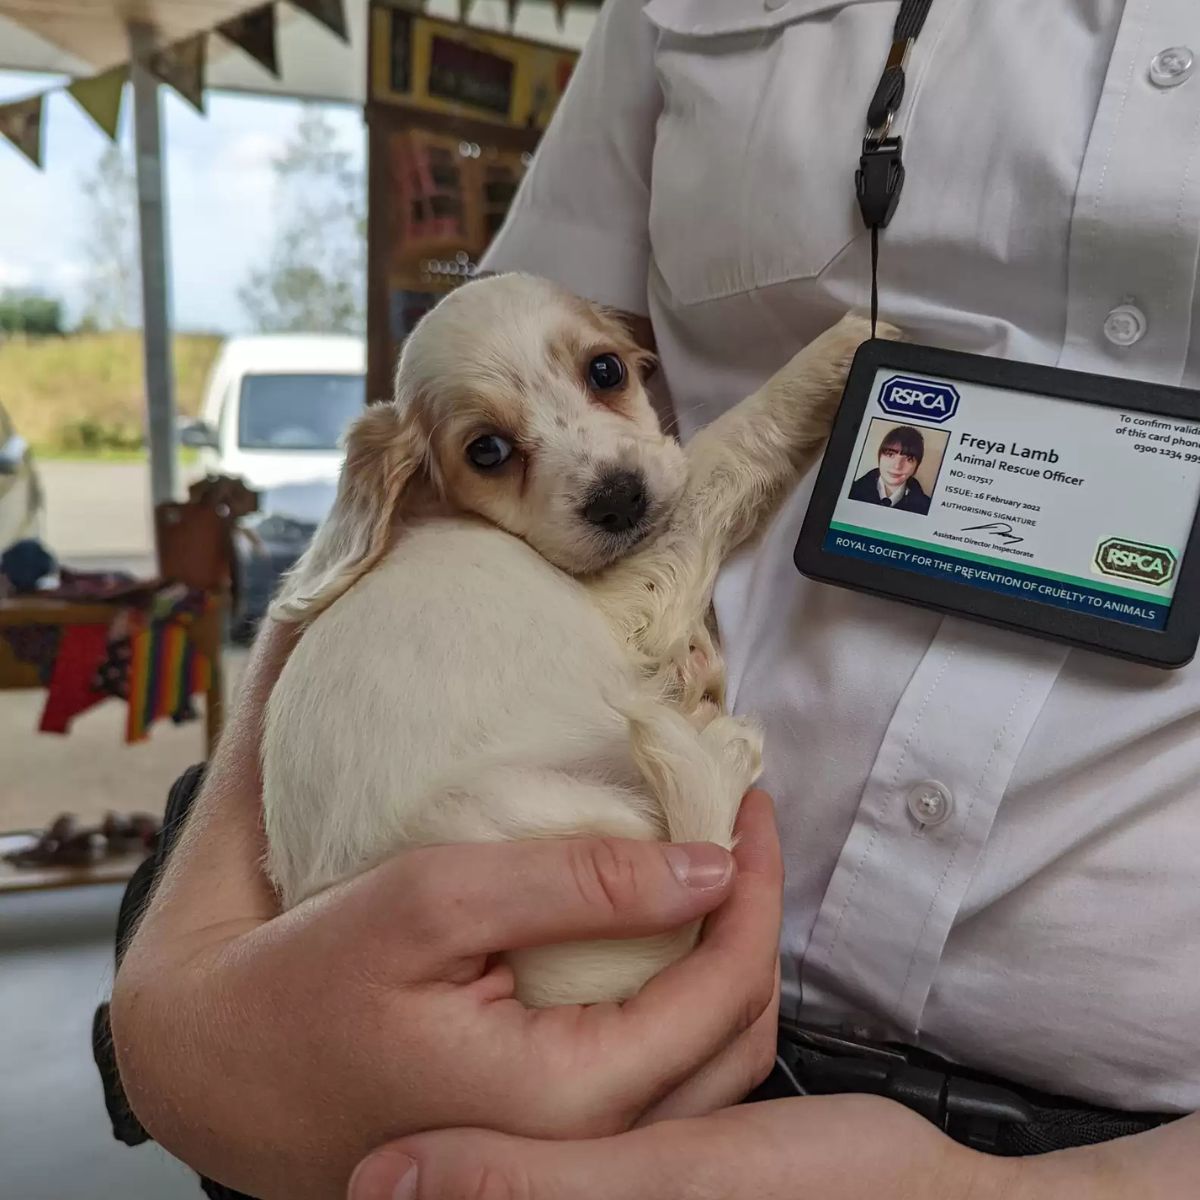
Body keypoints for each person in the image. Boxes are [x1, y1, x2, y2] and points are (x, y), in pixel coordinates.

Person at [109, 1, 1200, 1197]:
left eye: (607, 380)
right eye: (502, 452)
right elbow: (404, 495)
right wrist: (183, 994)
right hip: (475, 1028)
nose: (601, 464)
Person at [847, 425, 932, 514]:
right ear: (879, 456)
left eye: (909, 459)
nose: (897, 466)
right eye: (890, 455)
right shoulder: (851, 491)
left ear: (917, 465)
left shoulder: (926, 507)